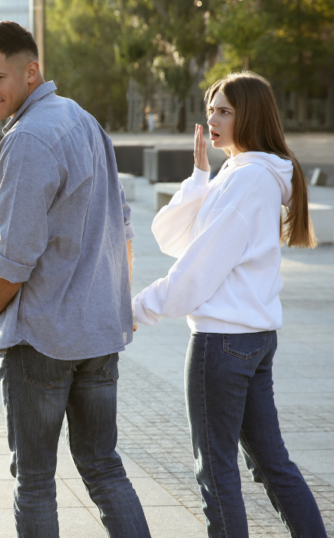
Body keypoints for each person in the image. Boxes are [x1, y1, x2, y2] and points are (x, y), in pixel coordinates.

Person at [0, 21, 151, 538]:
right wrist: (107, 299)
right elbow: (123, 225)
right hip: (95, 335)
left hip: (42, 337)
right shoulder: (83, 120)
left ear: (32, 72)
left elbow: (15, 253)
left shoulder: (28, 137)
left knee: (35, 482)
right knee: (103, 466)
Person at [133, 72, 326, 537]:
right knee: (270, 465)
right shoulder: (240, 174)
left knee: (216, 470)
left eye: (224, 111)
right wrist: (199, 177)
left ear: (250, 116)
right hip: (252, 340)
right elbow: (171, 237)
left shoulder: (247, 181)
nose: (212, 121)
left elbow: (198, 268)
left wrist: (138, 309)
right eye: (210, 110)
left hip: (222, 343)